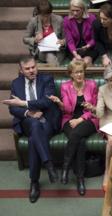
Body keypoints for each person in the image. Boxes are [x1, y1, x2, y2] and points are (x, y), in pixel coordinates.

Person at [2, 56, 60, 203]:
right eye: (27, 69)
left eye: (33, 67)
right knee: (33, 125)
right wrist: (29, 113)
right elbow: (13, 108)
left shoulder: (47, 79)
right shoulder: (16, 83)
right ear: (21, 71)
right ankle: (49, 164)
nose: (31, 70)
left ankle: (34, 182)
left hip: (46, 119)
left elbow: (46, 102)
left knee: (34, 137)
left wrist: (24, 103)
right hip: (28, 120)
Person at [48, 60, 98, 196]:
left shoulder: (92, 85)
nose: (80, 74)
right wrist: (60, 103)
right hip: (69, 120)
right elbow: (68, 109)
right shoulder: (65, 87)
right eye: (76, 72)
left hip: (88, 120)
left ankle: (65, 167)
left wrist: (81, 119)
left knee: (76, 135)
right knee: (80, 141)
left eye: (81, 71)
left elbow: (94, 108)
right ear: (71, 74)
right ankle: (80, 179)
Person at [23, 0, 65, 66]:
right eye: (43, 16)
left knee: (54, 57)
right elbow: (25, 38)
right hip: (42, 51)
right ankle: (56, 71)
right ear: (38, 14)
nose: (45, 18)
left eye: (48, 15)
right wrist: (35, 40)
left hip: (58, 50)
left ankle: (53, 69)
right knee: (50, 56)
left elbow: (66, 37)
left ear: (51, 12)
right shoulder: (33, 21)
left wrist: (63, 41)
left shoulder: (59, 19)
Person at [63, 0, 97, 66]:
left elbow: (94, 37)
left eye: (77, 10)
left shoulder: (92, 18)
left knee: (86, 61)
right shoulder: (67, 20)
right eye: (72, 10)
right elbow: (70, 41)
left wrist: (88, 46)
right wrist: (75, 54)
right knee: (75, 63)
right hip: (74, 48)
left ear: (83, 10)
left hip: (90, 47)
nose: (75, 13)